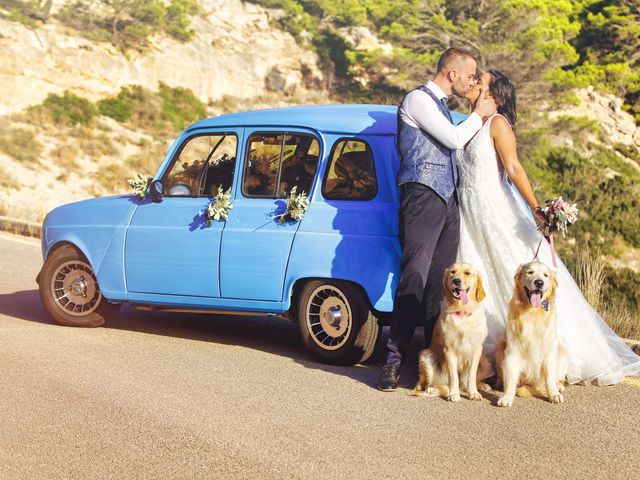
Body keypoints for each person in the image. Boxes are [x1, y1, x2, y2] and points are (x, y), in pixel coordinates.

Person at [456, 69, 640, 385]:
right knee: (480, 273)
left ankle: (538, 352)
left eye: (480, 81)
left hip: (495, 211)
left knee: (509, 269)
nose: (472, 82)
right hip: (468, 212)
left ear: (493, 95)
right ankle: (490, 355)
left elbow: (514, 167)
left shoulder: (496, 124)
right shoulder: (466, 122)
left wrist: (536, 207)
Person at [377, 48, 497, 391]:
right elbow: (454, 139)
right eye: (470, 76)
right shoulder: (418, 99)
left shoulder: (443, 107)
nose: (472, 81)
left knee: (441, 283)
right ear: (453, 74)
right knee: (414, 273)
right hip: (422, 197)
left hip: (448, 201)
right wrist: (480, 112)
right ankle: (394, 359)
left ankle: (437, 362)